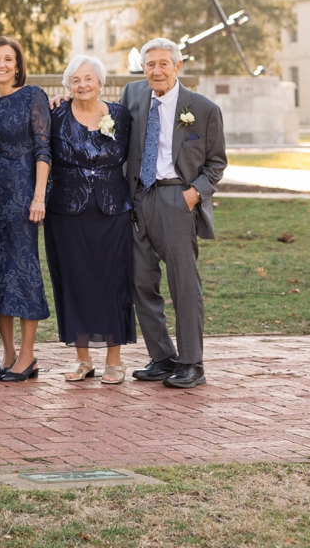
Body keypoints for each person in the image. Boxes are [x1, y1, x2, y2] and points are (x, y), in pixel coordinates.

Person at [123, 37, 227, 390]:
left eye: (163, 64)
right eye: (150, 64)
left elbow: (216, 163)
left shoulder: (203, 108)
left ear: (178, 67)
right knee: (140, 281)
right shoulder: (133, 96)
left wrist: (193, 194)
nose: (156, 71)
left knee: (183, 283)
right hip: (139, 199)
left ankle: (191, 363)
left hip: (176, 200)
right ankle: (163, 356)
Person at [45, 54, 133, 385]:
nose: (83, 85)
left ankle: (114, 359)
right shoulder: (56, 113)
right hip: (66, 210)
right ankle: (82, 360)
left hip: (113, 208)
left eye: (88, 79)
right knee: (74, 280)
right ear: (68, 86)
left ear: (100, 82)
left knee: (115, 281)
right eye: (76, 80)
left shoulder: (122, 116)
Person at [0, 36, 51, 383]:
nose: (2, 65)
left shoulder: (32, 96)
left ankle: (28, 355)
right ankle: (7, 352)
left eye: (8, 59)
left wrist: (38, 197)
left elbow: (43, 149)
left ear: (18, 65)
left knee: (23, 272)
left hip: (22, 196)